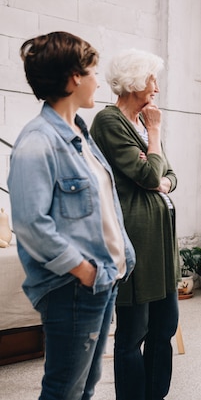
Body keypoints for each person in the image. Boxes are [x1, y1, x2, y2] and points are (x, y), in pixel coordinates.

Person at [8, 31, 136, 400]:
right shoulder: (37, 142)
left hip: (103, 280)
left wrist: (112, 266)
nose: (98, 81)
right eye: (93, 71)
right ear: (74, 77)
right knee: (64, 389)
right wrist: (84, 271)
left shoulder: (80, 132)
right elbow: (31, 223)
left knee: (86, 386)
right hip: (74, 287)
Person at [89, 49, 179, 400]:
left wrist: (160, 177)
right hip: (133, 238)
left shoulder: (142, 123)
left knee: (164, 327)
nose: (156, 87)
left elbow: (168, 174)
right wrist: (155, 137)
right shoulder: (110, 121)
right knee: (133, 333)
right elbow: (146, 173)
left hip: (161, 240)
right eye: (152, 80)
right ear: (135, 83)